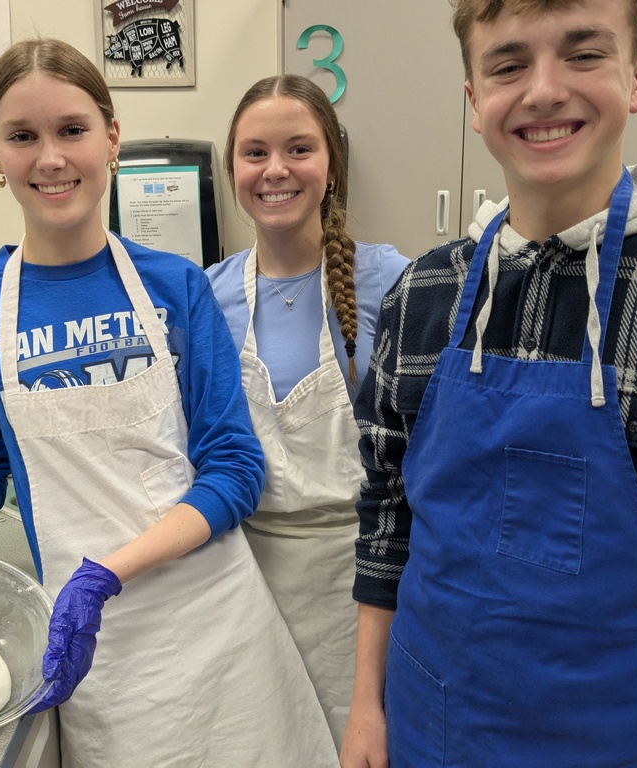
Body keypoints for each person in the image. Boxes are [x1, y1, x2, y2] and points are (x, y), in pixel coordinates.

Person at [0, 38, 340, 768]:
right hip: (92, 648)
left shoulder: (174, 287)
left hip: (219, 622)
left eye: (72, 130)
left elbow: (233, 469)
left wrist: (109, 571)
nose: (50, 158)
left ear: (110, 139)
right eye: (22, 136)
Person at [341, 1, 637, 767]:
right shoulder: (423, 294)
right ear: (473, 101)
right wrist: (366, 707)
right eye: (507, 65)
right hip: (428, 731)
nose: (542, 90)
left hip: (622, 743)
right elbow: (387, 518)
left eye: (582, 54)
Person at [206, 74, 410, 751]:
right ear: (233, 167)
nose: (275, 170)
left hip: (362, 594)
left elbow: (420, 465)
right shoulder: (207, 296)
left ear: (332, 166)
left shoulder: (391, 280)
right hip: (245, 590)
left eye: (299, 148)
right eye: (254, 152)